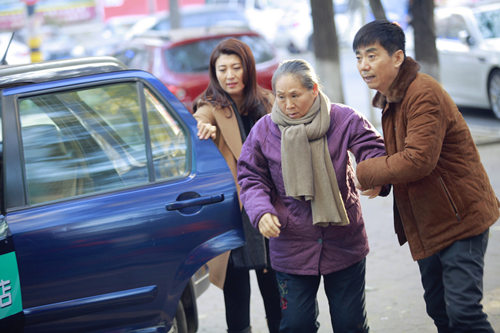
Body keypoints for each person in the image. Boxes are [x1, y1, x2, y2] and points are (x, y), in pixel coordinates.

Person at [353, 20, 499, 332]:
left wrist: (365, 172)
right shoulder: (393, 98)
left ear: (397, 57)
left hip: (460, 218)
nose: (363, 66)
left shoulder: (422, 93)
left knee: (464, 313)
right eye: (358, 58)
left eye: (371, 55)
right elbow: (401, 156)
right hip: (428, 223)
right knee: (440, 310)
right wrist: (382, 183)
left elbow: (418, 160)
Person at [237, 59, 389, 333]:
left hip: (343, 240)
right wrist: (261, 211)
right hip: (291, 244)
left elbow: (372, 148)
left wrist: (374, 176)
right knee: (297, 325)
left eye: (295, 96)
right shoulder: (264, 130)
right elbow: (250, 176)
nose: (288, 105)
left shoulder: (344, 119)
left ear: (314, 90)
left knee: (349, 324)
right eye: (281, 97)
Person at [192, 38, 281, 333]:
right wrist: (202, 127)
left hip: (270, 211)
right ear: (214, 73)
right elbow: (199, 119)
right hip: (234, 217)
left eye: (236, 67)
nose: (229, 75)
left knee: (277, 298)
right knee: (237, 301)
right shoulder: (210, 107)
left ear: (248, 68)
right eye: (222, 69)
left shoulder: (268, 103)